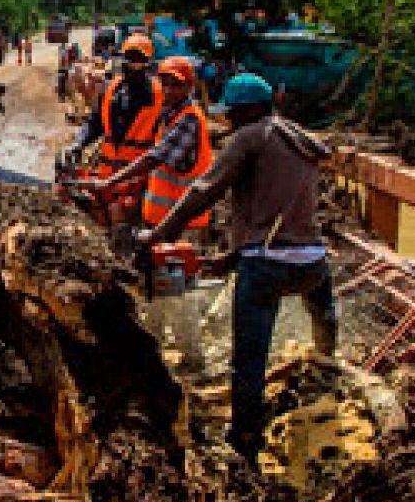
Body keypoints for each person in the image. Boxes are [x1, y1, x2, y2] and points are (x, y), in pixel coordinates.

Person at [139, 73, 337, 462]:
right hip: (313, 261)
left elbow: (201, 191)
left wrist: (157, 236)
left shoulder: (249, 137)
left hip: (267, 267)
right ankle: (329, 378)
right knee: (325, 318)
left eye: (230, 114)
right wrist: (231, 258)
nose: (226, 121)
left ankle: (245, 444)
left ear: (248, 110)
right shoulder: (299, 138)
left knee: (249, 361)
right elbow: (276, 207)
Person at [90, 56, 213, 371]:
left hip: (180, 224)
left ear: (188, 86)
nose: (169, 88)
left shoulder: (188, 119)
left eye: (176, 83)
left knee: (177, 292)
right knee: (158, 286)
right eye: (165, 82)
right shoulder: (169, 117)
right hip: (160, 222)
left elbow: (155, 158)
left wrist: (111, 181)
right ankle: (153, 347)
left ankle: (192, 358)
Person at [63, 33, 163, 181]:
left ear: (147, 63)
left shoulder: (158, 97)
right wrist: (78, 143)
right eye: (129, 58)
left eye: (138, 60)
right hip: (107, 179)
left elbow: (163, 148)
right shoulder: (111, 91)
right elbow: (95, 123)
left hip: (139, 183)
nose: (132, 64)